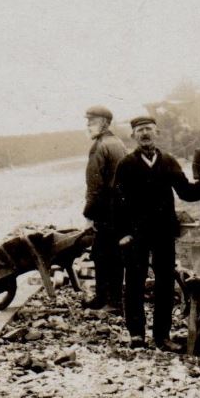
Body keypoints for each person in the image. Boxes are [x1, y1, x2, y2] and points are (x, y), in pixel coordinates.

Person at [115, 116, 200, 350]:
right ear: (133, 136)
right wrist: (122, 233)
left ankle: (162, 336)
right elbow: (117, 201)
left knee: (164, 284)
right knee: (134, 283)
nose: (145, 134)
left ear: (157, 132)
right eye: (140, 131)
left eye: (149, 130)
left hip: (163, 233)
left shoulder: (168, 162)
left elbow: (186, 192)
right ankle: (136, 335)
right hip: (135, 235)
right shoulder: (126, 165)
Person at [82, 105, 127, 312]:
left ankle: (113, 301)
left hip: (105, 211)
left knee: (105, 256)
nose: (88, 125)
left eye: (92, 122)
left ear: (105, 123)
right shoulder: (117, 142)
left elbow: (94, 185)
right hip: (119, 209)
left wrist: (88, 215)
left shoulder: (100, 146)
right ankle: (104, 298)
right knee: (108, 254)